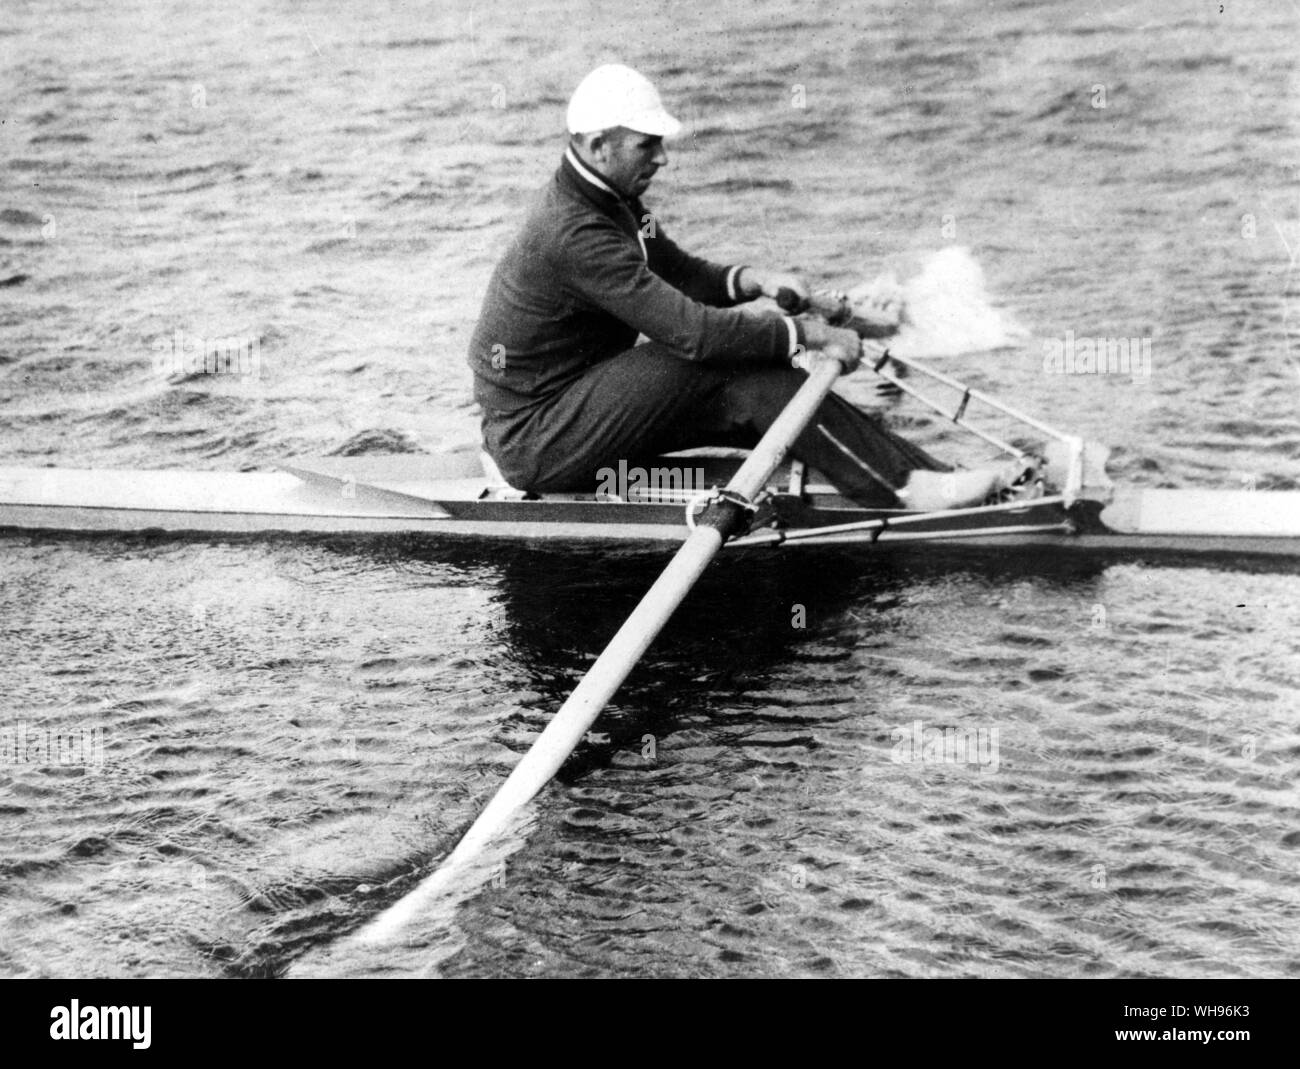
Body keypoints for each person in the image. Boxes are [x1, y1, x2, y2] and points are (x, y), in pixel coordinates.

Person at [467, 63, 1010, 510]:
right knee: (707, 358)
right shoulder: (576, 231)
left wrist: (757, 281)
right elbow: (695, 335)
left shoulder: (609, 200)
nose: (662, 157)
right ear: (599, 144)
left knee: (752, 384)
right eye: (646, 145)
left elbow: (676, 272)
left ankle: (928, 476)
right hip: (538, 441)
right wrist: (809, 334)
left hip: (573, 407)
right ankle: (908, 489)